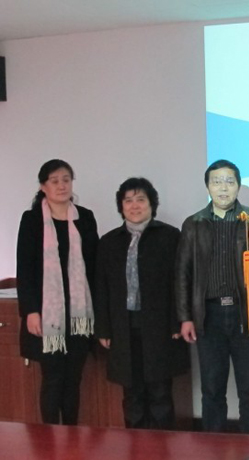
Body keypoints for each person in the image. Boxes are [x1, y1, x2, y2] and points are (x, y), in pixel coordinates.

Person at [176, 159, 249, 433]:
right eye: (216, 182)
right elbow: (183, 273)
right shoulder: (194, 224)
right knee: (212, 388)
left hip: (244, 314)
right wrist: (185, 317)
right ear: (207, 187)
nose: (223, 188)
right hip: (208, 315)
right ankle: (213, 447)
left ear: (238, 186)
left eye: (229, 181)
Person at [95, 177, 189, 429]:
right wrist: (103, 329)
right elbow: (101, 288)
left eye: (140, 199)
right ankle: (135, 445)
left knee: (160, 393)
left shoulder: (170, 236)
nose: (134, 205)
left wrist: (177, 321)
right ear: (121, 206)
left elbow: (180, 282)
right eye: (128, 200)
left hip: (160, 326)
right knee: (132, 394)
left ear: (151, 204)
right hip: (123, 327)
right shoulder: (109, 241)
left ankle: (161, 446)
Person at [16, 159, 98, 425]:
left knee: (73, 379)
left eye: (66, 180)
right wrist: (30, 311)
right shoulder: (32, 220)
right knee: (53, 379)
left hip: (78, 315)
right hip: (46, 314)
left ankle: (71, 435)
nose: (62, 186)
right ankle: (50, 439)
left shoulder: (85, 217)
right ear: (43, 186)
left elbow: (94, 266)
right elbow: (25, 269)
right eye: (55, 181)